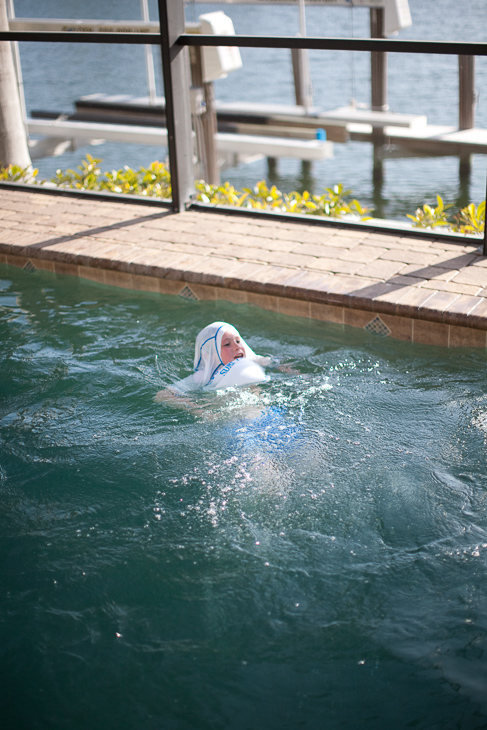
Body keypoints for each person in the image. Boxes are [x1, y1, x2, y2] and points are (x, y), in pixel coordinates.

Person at [155, 321, 271, 408]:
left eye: (238, 341)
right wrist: (198, 409)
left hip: (263, 408)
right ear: (210, 353)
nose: (237, 347)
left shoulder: (252, 362)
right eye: (227, 344)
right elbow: (162, 395)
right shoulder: (204, 376)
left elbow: (277, 363)